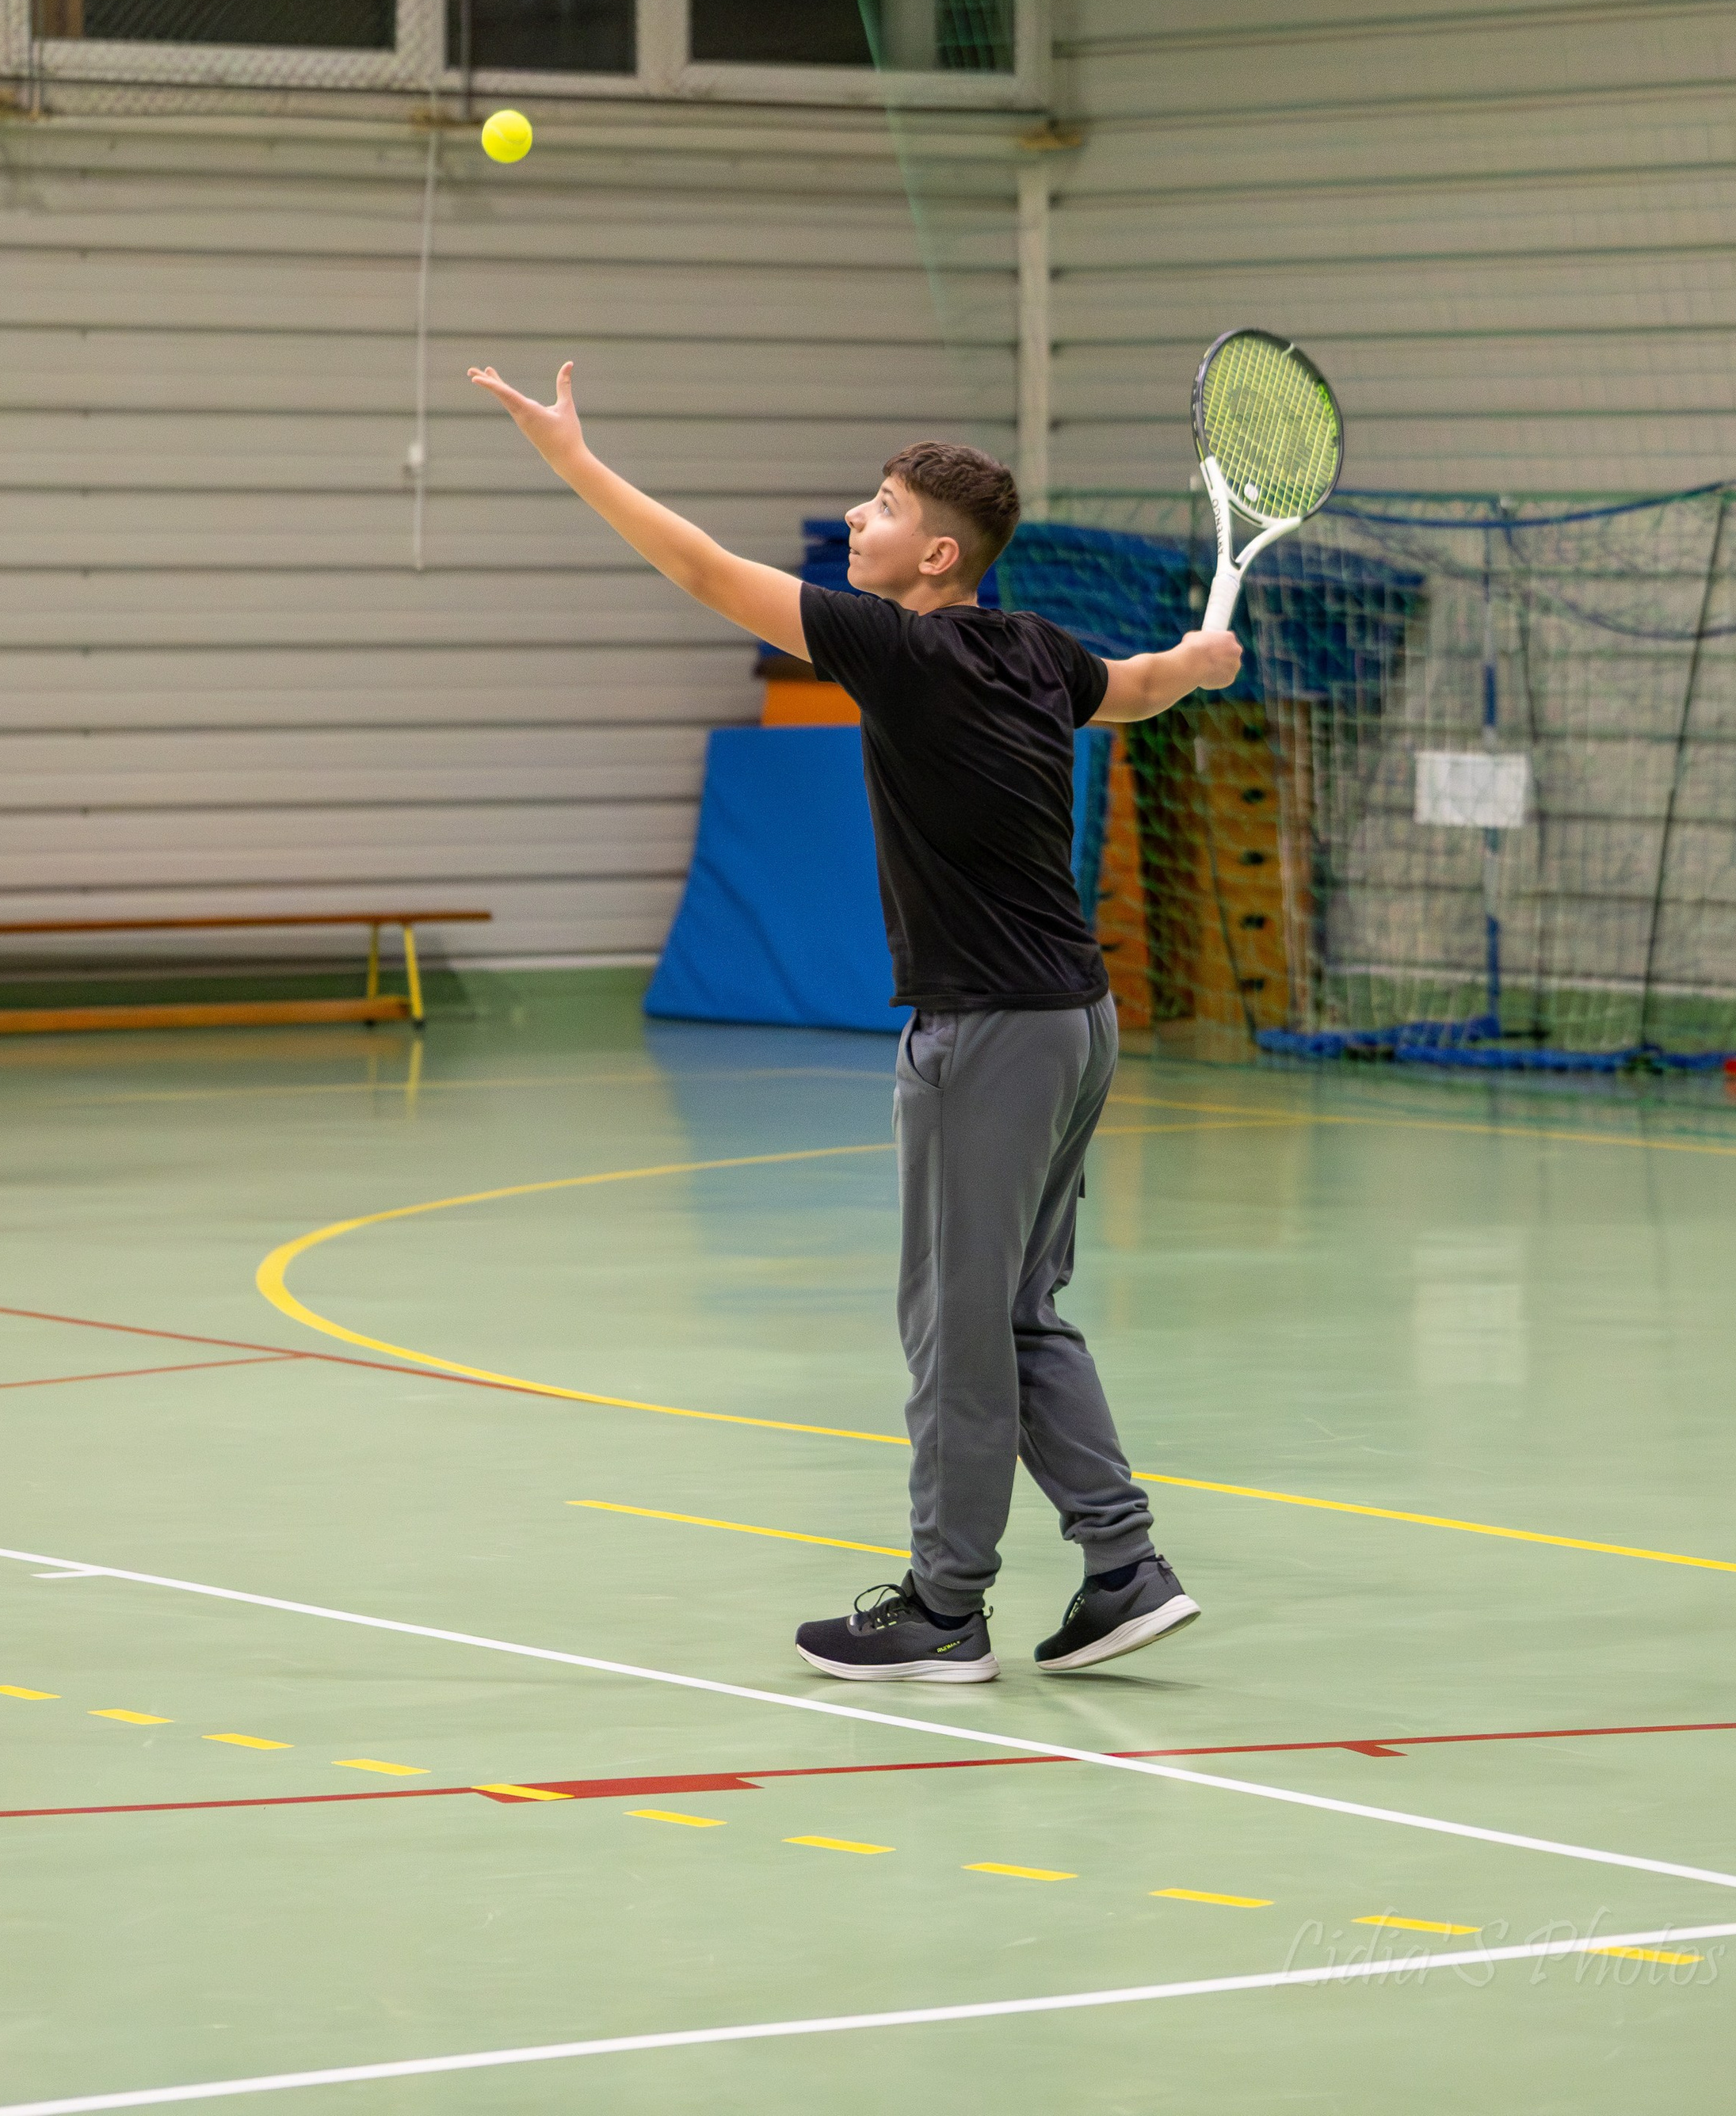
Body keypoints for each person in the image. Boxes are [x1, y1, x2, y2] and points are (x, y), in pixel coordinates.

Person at [470, 358, 1243, 1681]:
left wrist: (574, 461)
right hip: (1078, 1019)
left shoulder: (902, 648)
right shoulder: (1037, 649)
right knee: (1018, 1311)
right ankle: (1123, 1568)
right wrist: (1199, 661)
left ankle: (945, 1608)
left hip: (987, 1030)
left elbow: (705, 571)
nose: (854, 516)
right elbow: (1142, 685)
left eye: (879, 506)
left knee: (956, 1325)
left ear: (938, 556)